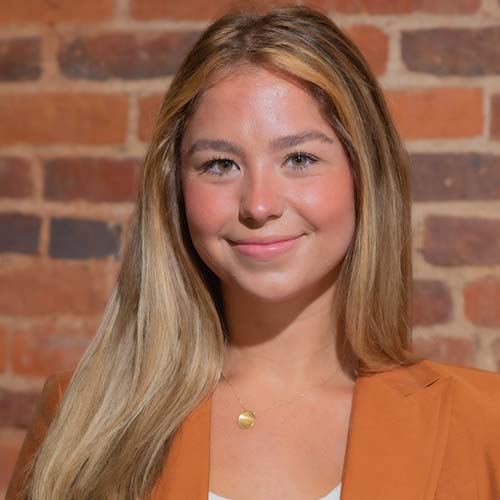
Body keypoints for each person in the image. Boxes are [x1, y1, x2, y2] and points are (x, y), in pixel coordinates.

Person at [6, 4, 500, 500]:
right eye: (220, 164)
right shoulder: (81, 421)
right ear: (176, 187)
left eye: (299, 158)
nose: (258, 205)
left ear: (364, 174)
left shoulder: (484, 424)